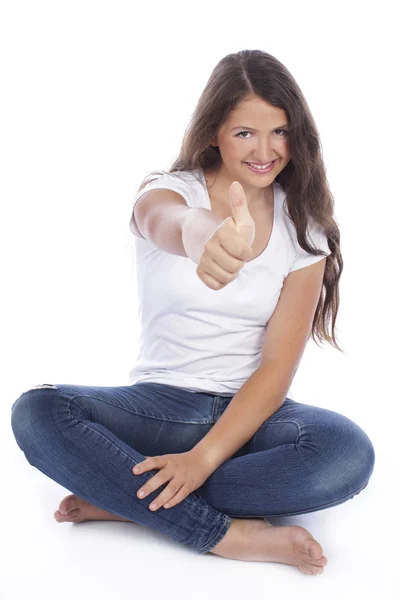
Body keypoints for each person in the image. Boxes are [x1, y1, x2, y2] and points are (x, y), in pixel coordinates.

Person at [10, 49, 375, 576]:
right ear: (213, 133)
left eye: (279, 130)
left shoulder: (305, 230)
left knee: (346, 453)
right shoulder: (168, 192)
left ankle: (127, 501)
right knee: (36, 412)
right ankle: (221, 534)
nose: (266, 149)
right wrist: (201, 233)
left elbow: (276, 369)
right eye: (245, 132)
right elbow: (167, 220)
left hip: (253, 416)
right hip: (160, 409)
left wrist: (203, 459)